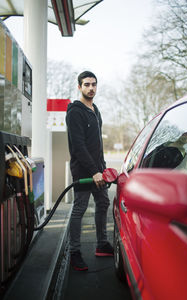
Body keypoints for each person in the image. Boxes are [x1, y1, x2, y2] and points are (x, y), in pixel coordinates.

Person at [66, 71, 113, 271]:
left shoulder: (95, 110)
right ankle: (74, 252)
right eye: (87, 84)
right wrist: (94, 171)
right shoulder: (75, 112)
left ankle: (102, 244)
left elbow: (98, 144)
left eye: (94, 84)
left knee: (103, 202)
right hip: (84, 170)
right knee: (80, 208)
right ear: (79, 87)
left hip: (97, 170)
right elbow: (78, 146)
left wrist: (102, 169)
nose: (91, 88)